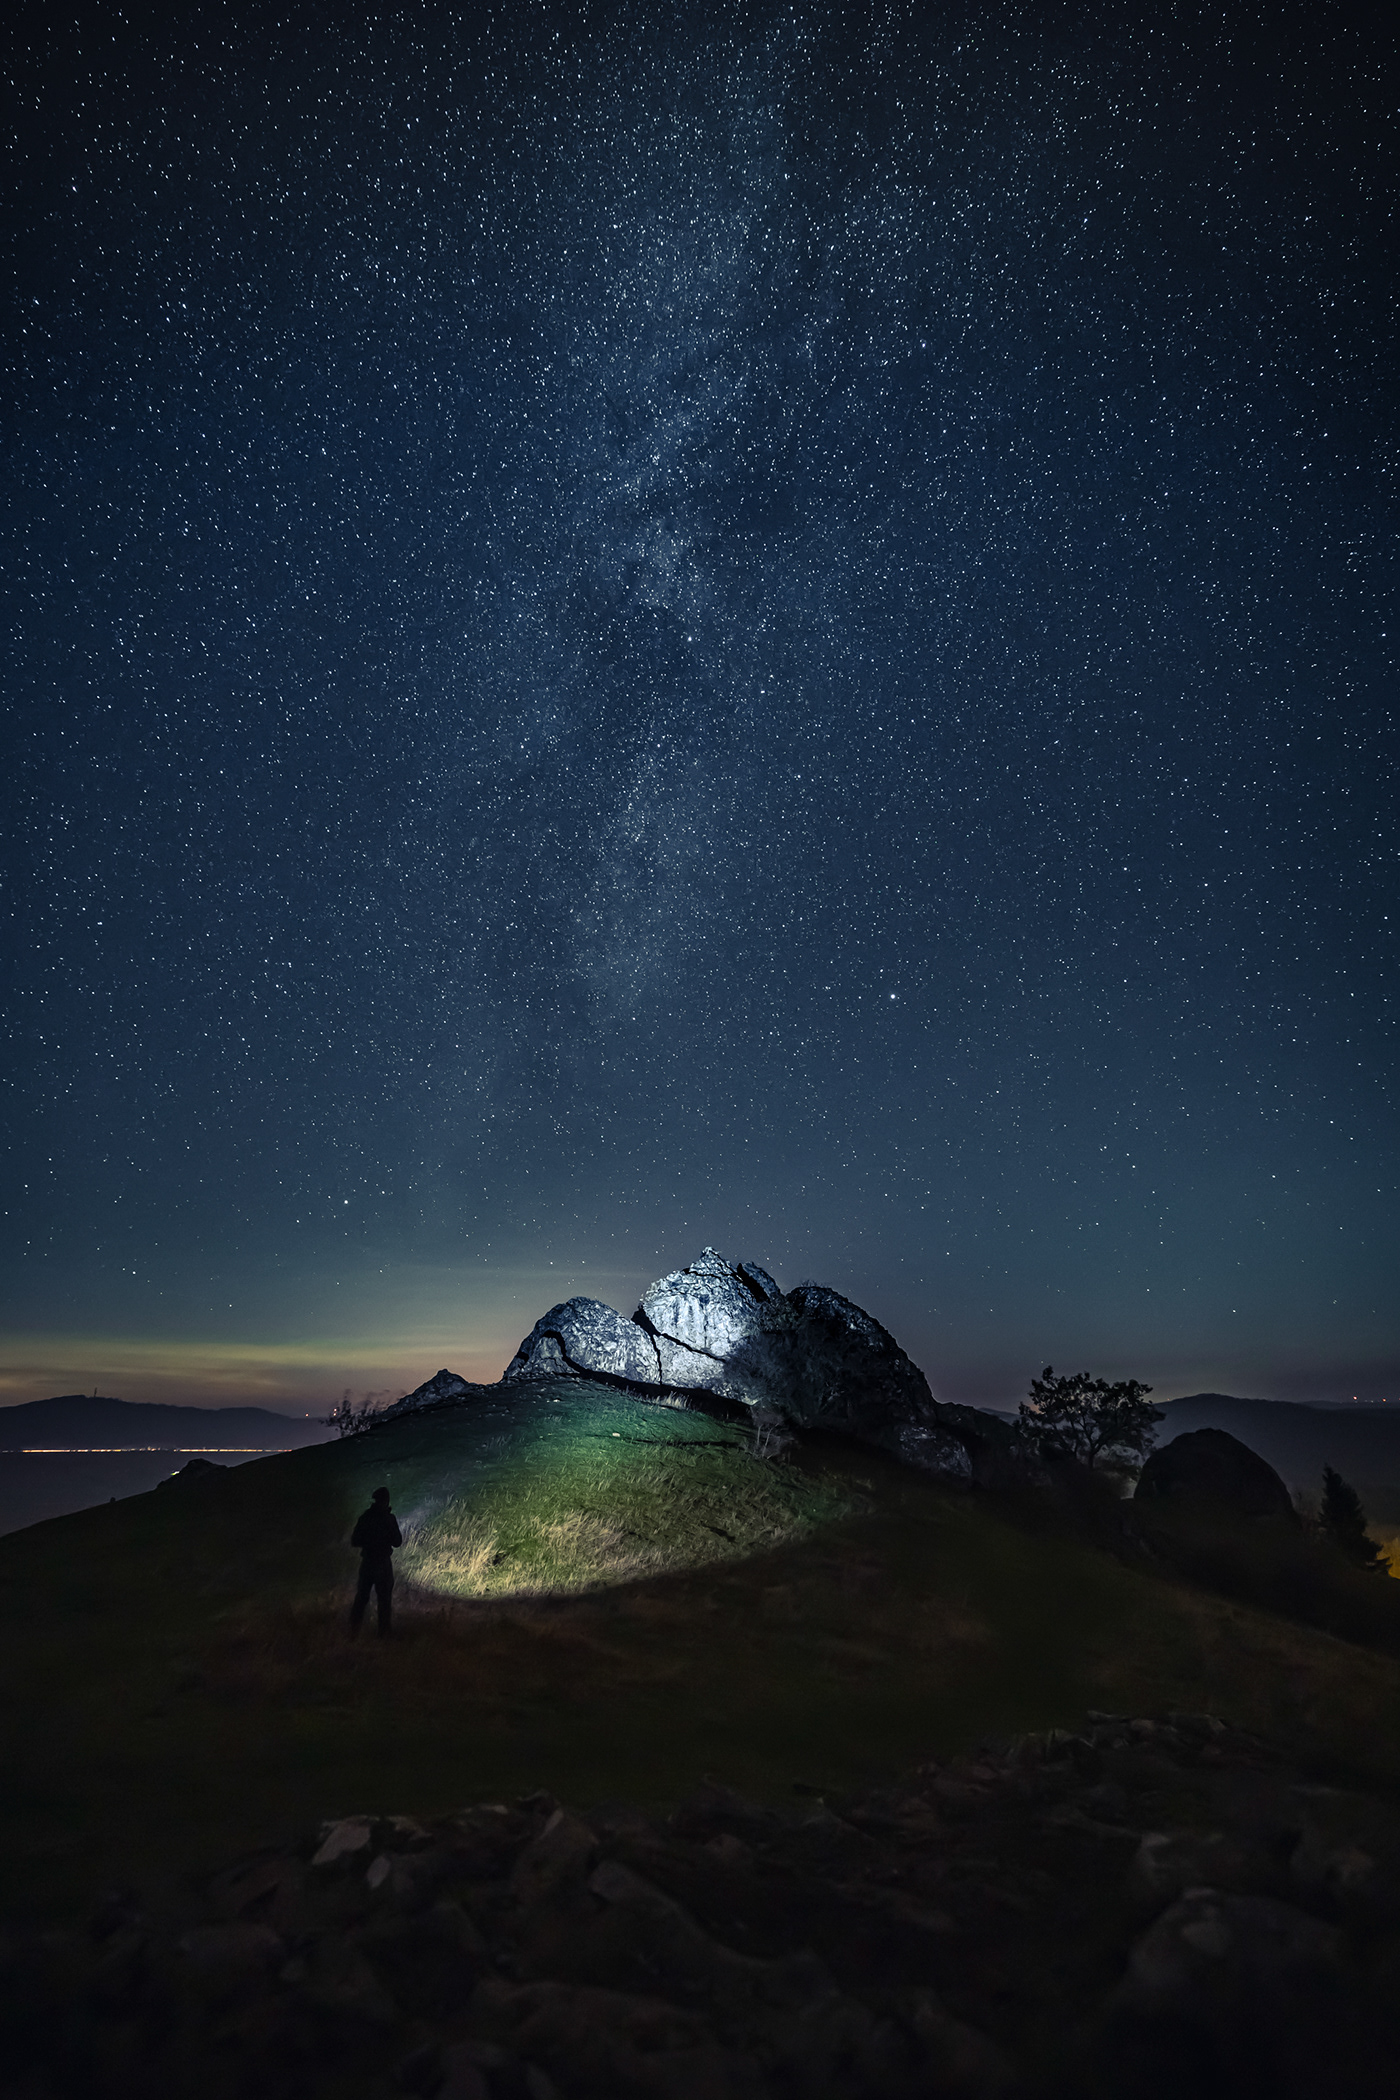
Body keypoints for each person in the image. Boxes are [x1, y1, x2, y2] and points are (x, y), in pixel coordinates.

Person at [349, 1485, 402, 1636]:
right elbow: (397, 1541)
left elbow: (355, 1540)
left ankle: (354, 1631)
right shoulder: (388, 1518)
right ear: (385, 1501)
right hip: (381, 1562)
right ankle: (383, 1634)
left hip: (369, 1562)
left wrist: (370, 1541)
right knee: (383, 1600)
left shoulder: (366, 1517)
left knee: (362, 1597)